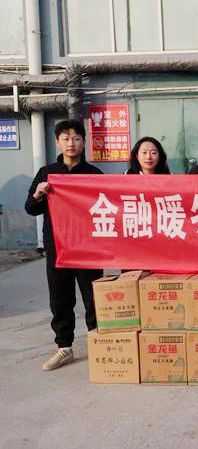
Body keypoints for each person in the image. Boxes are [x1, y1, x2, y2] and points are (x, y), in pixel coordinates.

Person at [25, 119, 104, 371]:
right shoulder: (47, 173)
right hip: (58, 246)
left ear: (84, 142)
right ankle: (64, 346)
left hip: (88, 247)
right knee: (60, 297)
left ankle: (98, 342)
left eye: (77, 138)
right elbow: (31, 208)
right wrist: (38, 193)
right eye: (66, 138)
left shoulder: (94, 174)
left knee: (93, 296)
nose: (72, 143)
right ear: (58, 142)